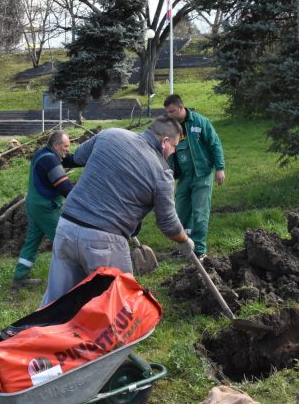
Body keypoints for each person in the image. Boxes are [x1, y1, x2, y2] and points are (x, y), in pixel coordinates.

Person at [40, 116, 195, 307]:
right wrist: (184, 240)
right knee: (118, 309)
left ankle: (35, 334)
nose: (172, 153)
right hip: (104, 242)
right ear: (164, 142)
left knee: (55, 305)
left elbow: (79, 155)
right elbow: (168, 223)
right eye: (174, 147)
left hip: (67, 227)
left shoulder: (111, 134)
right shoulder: (162, 173)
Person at [11, 130, 80, 293]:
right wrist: (85, 201)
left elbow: (69, 159)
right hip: (45, 207)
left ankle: (19, 279)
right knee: (65, 242)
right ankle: (74, 282)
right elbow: (65, 188)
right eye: (65, 146)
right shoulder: (50, 160)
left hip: (34, 204)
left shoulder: (45, 153)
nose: (67, 150)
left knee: (32, 242)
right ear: (56, 145)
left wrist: (88, 158)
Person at [163, 94, 225, 259]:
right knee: (180, 213)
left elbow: (215, 144)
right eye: (167, 112)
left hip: (202, 175)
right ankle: (185, 247)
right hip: (184, 177)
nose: (170, 115)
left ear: (181, 108)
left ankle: (199, 249)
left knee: (199, 212)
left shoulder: (200, 122)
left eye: (172, 111)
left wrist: (220, 168)